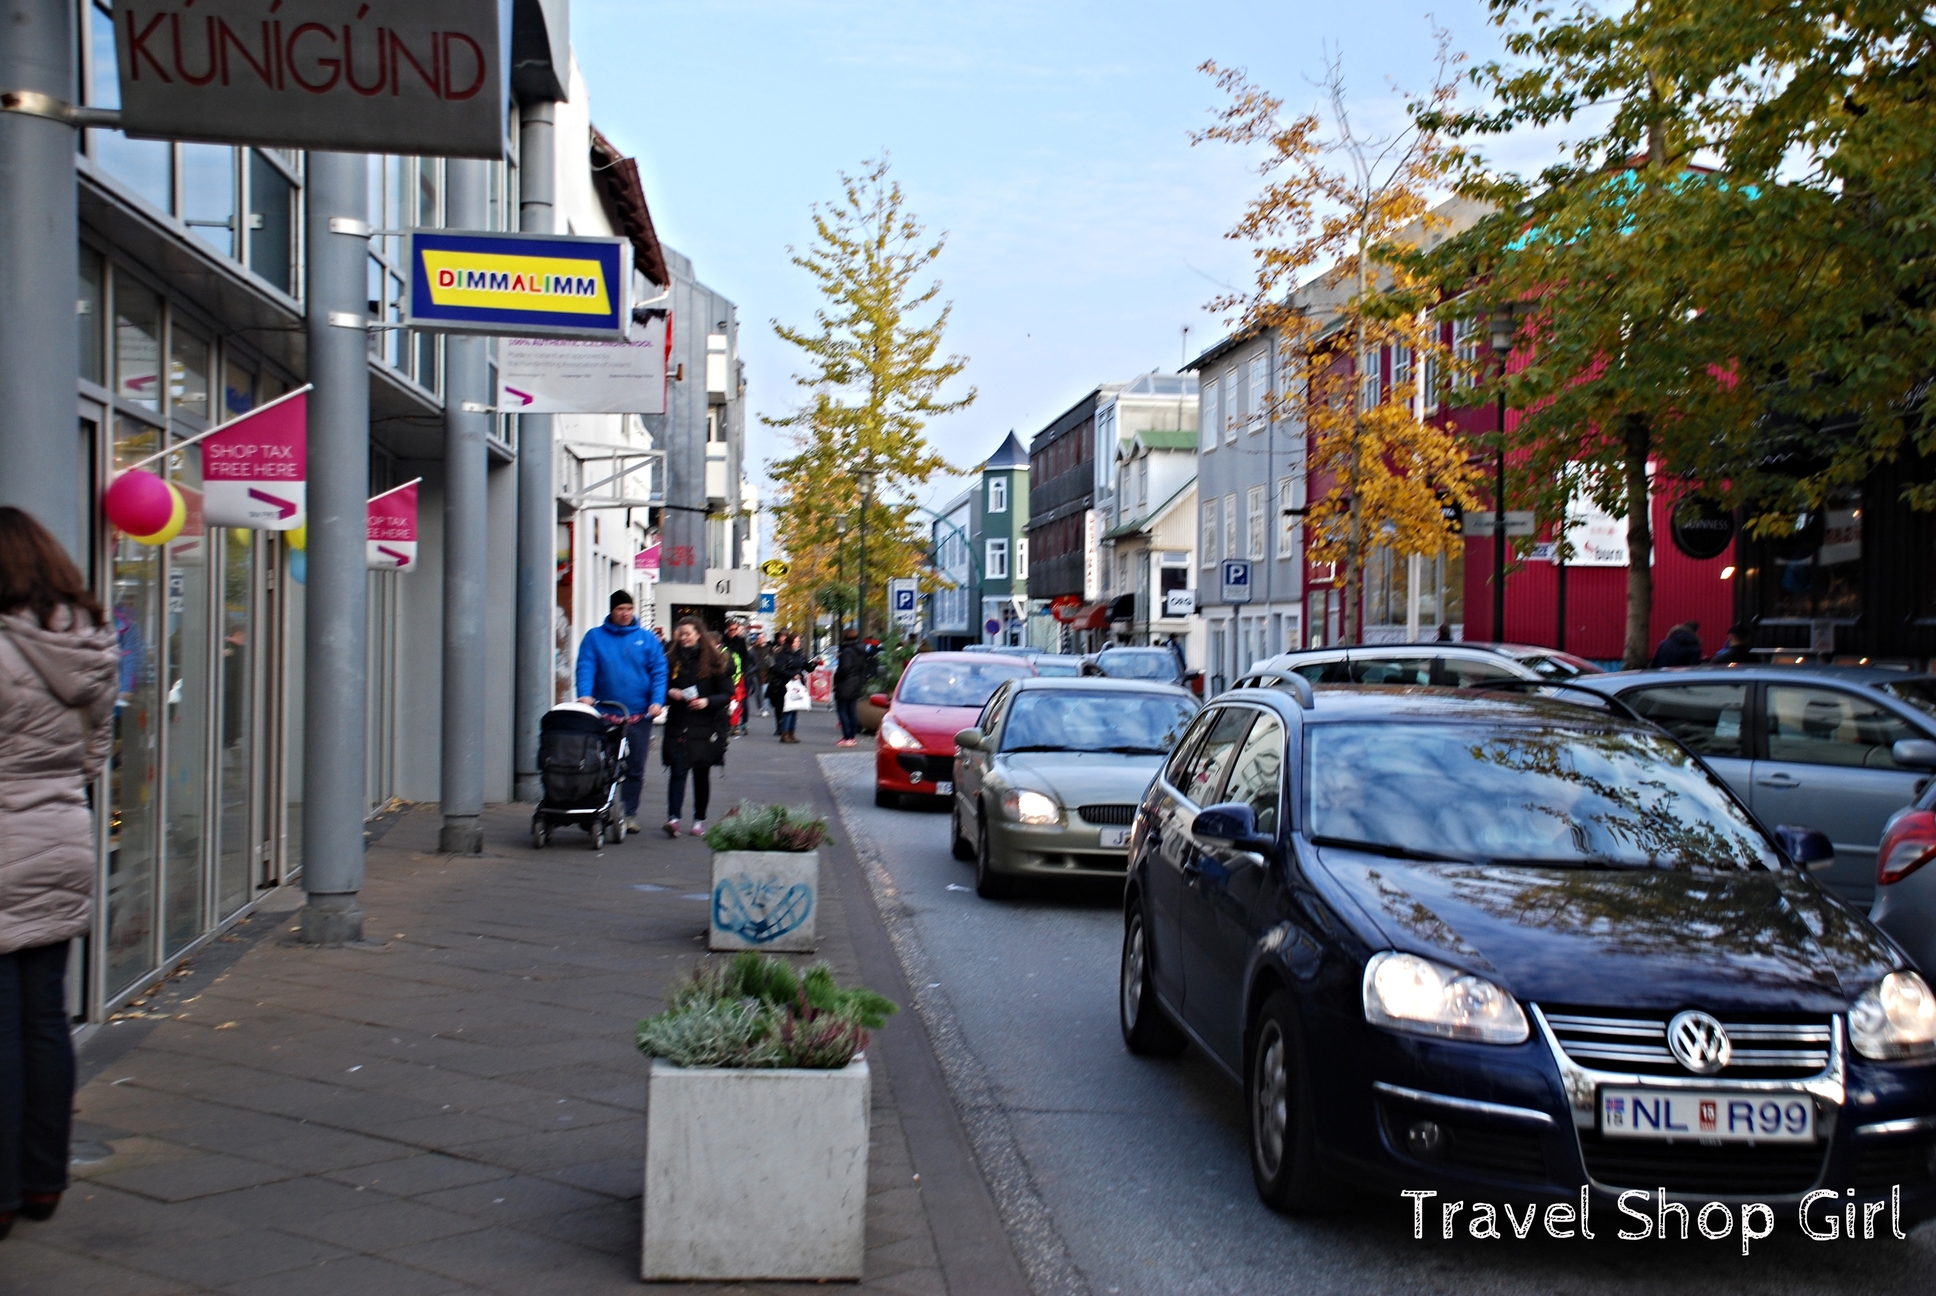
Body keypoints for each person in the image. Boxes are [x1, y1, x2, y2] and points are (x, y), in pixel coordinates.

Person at [0, 508, 120, 1239]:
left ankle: (4, 1191)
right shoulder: (88, 641)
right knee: (45, 1016)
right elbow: (90, 754)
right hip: (63, 841)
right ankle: (43, 1180)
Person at [574, 590, 667, 834]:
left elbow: (659, 672)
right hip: (604, 712)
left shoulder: (647, 640)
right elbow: (585, 667)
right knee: (599, 763)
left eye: (628, 608)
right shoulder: (595, 638)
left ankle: (629, 812)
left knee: (635, 766)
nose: (625, 614)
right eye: (620, 609)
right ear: (611, 611)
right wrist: (585, 694)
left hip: (638, 714)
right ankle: (595, 809)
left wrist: (657, 701)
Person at [662, 616, 734, 836]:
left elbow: (726, 694)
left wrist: (706, 701)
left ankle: (698, 819)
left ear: (698, 635)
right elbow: (660, 686)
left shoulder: (714, 661)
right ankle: (673, 818)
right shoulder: (671, 659)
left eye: (688, 634)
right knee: (677, 771)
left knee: (701, 775)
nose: (684, 638)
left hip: (705, 725)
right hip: (679, 723)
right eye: (681, 634)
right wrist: (669, 693)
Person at [766, 633, 809, 743]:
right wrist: (792, 674)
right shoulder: (783, 654)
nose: (797, 644)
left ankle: (791, 732)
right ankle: (785, 732)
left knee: (794, 709)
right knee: (788, 709)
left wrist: (812, 665)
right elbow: (778, 669)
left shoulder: (800, 654)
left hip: (797, 685)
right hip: (785, 685)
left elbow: (806, 667)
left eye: (799, 642)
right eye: (795, 642)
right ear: (790, 643)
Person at [832, 627, 866, 746]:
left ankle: (847, 737)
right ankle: (852, 737)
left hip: (845, 684)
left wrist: (837, 675)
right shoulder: (861, 650)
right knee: (852, 711)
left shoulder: (847, 651)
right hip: (856, 683)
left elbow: (845, 668)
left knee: (842, 711)